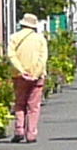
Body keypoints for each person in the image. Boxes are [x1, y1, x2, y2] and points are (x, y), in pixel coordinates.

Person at [6, 15, 50, 143]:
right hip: (37, 77)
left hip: (19, 76)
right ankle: (31, 133)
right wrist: (35, 73)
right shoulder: (40, 39)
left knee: (19, 103)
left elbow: (11, 55)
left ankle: (19, 130)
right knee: (33, 106)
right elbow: (43, 59)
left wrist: (21, 71)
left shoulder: (14, 38)